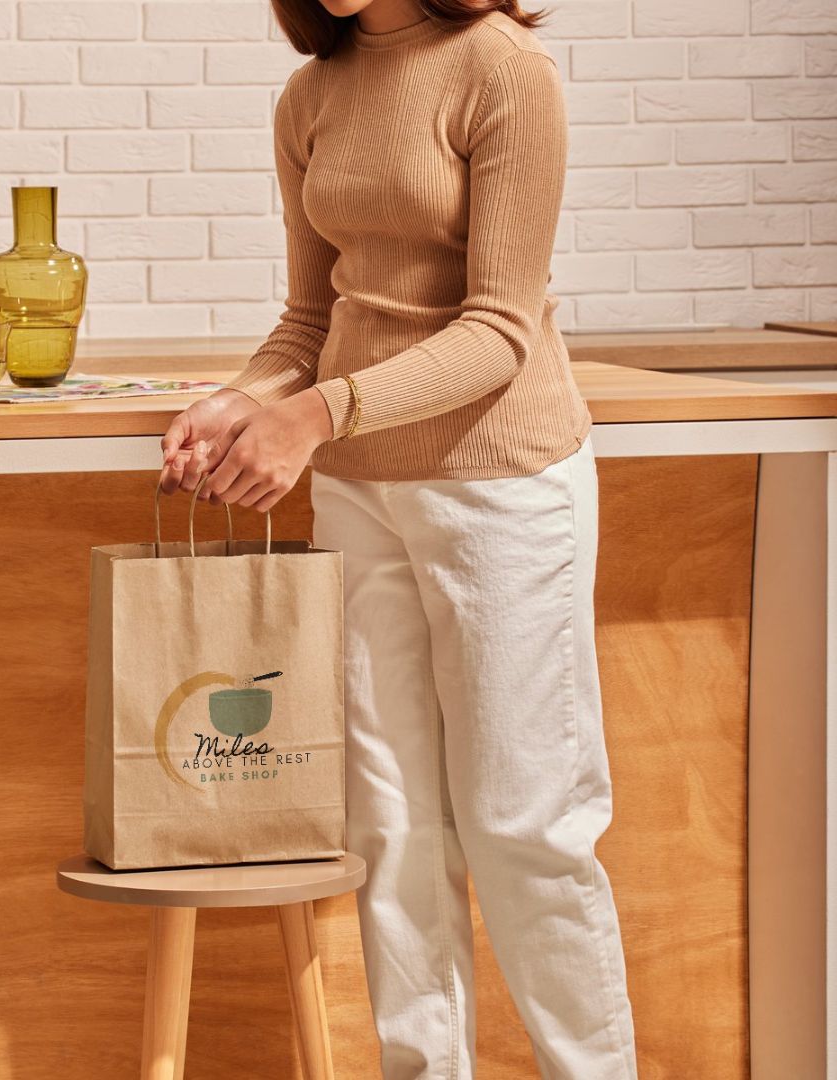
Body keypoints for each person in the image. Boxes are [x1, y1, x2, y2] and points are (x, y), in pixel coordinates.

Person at [158, 1, 639, 1076]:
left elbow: (499, 330)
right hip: (363, 492)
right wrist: (237, 399)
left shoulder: (504, 70)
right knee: (393, 831)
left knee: (527, 830)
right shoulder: (312, 94)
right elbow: (312, 317)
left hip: (500, 486)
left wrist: (312, 416)